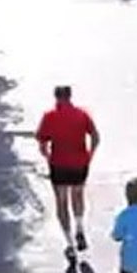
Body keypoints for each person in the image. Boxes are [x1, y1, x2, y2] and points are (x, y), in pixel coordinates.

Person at [36, 85, 100, 262]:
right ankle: (80, 228)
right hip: (80, 162)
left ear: (55, 97)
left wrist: (48, 156)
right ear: (70, 96)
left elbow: (42, 141)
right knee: (78, 195)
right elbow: (95, 136)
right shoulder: (82, 114)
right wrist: (90, 155)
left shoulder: (49, 116)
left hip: (59, 164)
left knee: (61, 202)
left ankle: (70, 243)